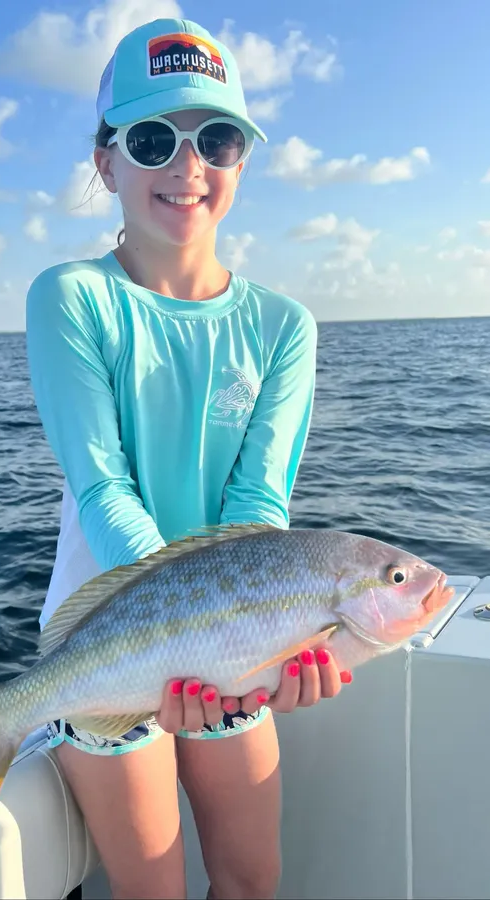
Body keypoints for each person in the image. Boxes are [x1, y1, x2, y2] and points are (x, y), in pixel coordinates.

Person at [26, 17, 349, 900]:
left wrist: (259, 644)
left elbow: (257, 505)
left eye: (216, 137)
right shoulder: (71, 296)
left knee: (251, 883)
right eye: (151, 138)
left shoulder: (284, 326)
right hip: (108, 641)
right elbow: (103, 487)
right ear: (106, 162)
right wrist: (190, 643)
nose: (186, 164)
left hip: (229, 636)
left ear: (242, 157)